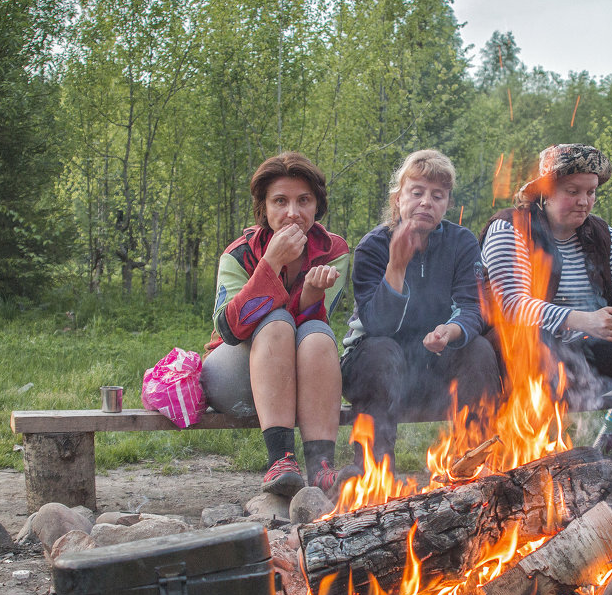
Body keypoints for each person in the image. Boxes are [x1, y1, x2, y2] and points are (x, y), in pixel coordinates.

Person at [479, 144, 612, 490]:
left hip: (585, 345)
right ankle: (534, 458)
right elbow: (511, 306)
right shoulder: (510, 227)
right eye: (573, 191)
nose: (584, 201)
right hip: (522, 346)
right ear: (545, 192)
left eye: (591, 192)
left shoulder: (600, 233)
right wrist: (581, 319)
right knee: (533, 342)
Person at [341, 149, 500, 474]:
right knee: (381, 352)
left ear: (447, 204)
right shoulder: (373, 247)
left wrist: (451, 332)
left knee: (478, 347)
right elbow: (376, 325)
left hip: (432, 368)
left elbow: (474, 308)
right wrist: (396, 267)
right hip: (373, 367)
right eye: (417, 193)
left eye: (437, 195)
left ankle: (474, 465)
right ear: (398, 199)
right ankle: (375, 472)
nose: (426, 202)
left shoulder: (462, 243)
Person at [201, 152, 350, 495]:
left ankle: (321, 466)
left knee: (315, 336)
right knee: (278, 321)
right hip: (236, 375)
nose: (293, 213)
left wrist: (311, 296)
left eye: (304, 200)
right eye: (280, 201)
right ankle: (280, 460)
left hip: (301, 380)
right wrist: (270, 264)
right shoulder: (238, 254)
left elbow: (315, 327)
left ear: (317, 206)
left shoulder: (334, 250)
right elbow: (229, 329)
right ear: (264, 209)